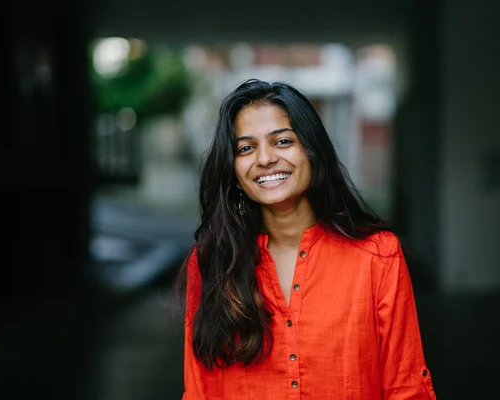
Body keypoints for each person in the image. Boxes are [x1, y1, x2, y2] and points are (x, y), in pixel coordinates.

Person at [178, 78, 436, 399]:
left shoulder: (378, 256)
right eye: (246, 148)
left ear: (313, 151)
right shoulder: (211, 262)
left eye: (283, 141)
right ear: (233, 171)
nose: (265, 158)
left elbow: (406, 386)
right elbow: (199, 390)